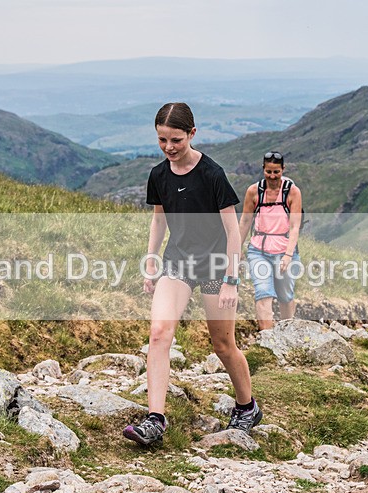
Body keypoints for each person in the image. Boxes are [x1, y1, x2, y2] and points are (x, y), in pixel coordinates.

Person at [123, 102, 262, 445]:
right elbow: (159, 218)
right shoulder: (158, 175)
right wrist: (151, 259)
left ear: (192, 134)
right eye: (162, 140)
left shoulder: (212, 174)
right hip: (178, 263)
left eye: (176, 140)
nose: (169, 147)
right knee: (158, 333)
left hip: (216, 265)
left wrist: (231, 279)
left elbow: (233, 233)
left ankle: (247, 407)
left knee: (223, 343)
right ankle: (155, 419)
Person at [238, 151, 302, 330]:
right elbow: (244, 222)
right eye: (268, 172)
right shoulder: (253, 191)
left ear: (283, 170)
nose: (272, 176)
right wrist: (236, 250)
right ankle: (268, 341)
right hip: (258, 250)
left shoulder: (292, 192)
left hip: (285, 251)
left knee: (285, 296)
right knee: (263, 292)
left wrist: (288, 255)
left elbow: (295, 226)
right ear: (263, 170)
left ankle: (286, 332)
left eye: (276, 172)